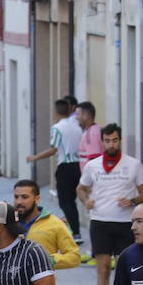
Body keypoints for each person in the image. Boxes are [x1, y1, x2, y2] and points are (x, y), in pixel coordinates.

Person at [78, 123, 143, 285]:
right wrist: (86, 200)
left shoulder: (133, 165)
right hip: (100, 222)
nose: (111, 144)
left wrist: (133, 200)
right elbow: (81, 188)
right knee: (102, 271)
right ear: (102, 142)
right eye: (108, 140)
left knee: (128, 271)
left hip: (125, 224)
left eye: (115, 140)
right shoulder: (93, 165)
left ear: (120, 141)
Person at [26, 99, 83, 241]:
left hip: (65, 166)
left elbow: (53, 149)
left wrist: (35, 157)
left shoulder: (57, 128)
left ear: (56, 112)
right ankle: (75, 230)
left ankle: (75, 233)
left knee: (65, 201)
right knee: (72, 200)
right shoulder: (77, 126)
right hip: (78, 165)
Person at [12, 180, 81, 269]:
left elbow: (74, 257)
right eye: (16, 197)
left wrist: (47, 260)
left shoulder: (55, 223)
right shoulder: (7, 222)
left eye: (24, 197)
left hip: (43, 281)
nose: (19, 202)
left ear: (37, 199)